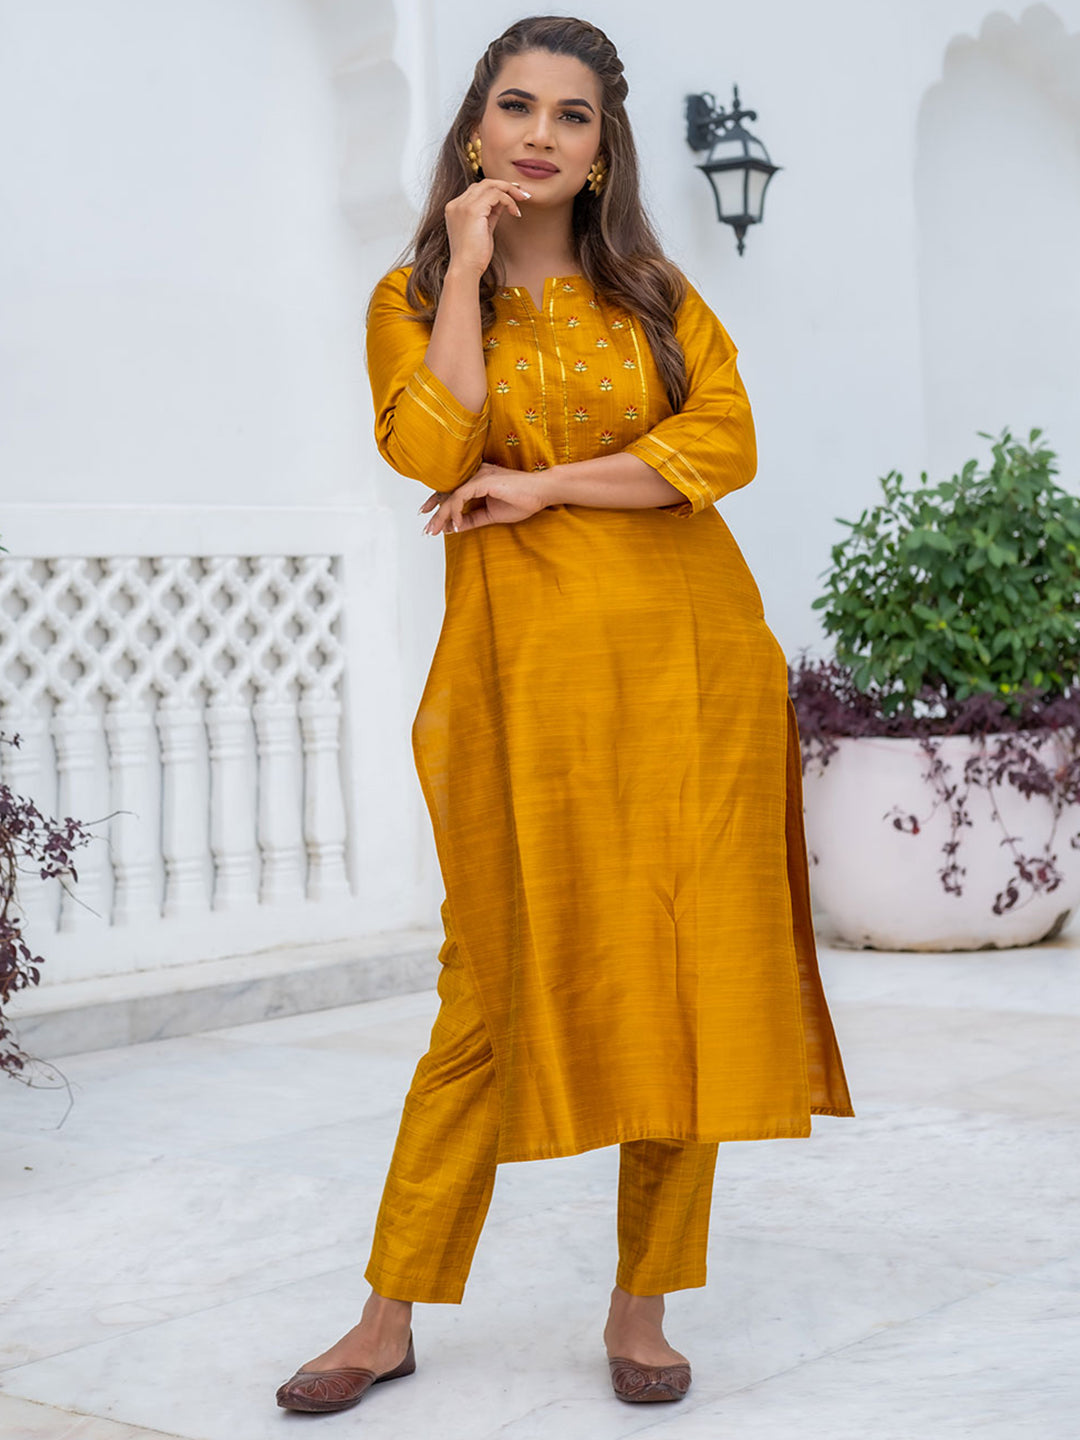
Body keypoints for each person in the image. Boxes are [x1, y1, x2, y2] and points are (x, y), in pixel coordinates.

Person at [275, 14, 854, 1415]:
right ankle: (387, 1314)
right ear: (475, 126)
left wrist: (543, 486)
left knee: (684, 976)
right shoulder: (414, 297)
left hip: (690, 669)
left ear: (604, 151)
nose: (541, 134)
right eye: (517, 106)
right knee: (486, 990)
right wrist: (469, 269)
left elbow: (726, 440)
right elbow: (431, 444)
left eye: (573, 115)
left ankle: (642, 1306)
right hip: (520, 680)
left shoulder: (651, 292)